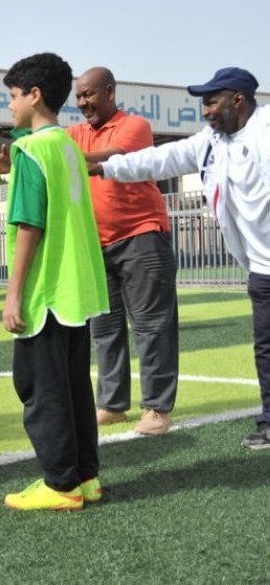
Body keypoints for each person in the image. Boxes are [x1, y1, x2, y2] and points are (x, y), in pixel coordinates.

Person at [88, 67, 270, 450]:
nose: (205, 111)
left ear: (238, 100)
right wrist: (103, 167)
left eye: (212, 102)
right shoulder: (210, 142)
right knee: (266, 347)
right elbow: (159, 159)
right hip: (262, 268)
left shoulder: (266, 129)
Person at [0, 53, 109, 511]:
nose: (10, 105)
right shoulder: (67, 146)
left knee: (40, 388)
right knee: (74, 387)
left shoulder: (31, 151)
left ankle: (60, 485)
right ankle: (86, 477)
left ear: (34, 95)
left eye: (13, 96)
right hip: (75, 290)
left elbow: (30, 224)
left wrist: (13, 295)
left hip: (47, 292)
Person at [66, 67, 179, 435]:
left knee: (151, 326)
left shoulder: (135, 126)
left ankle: (157, 408)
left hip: (141, 236)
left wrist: (61, 156)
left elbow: (112, 158)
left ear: (110, 92)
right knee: (105, 328)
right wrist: (18, 161)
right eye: (78, 96)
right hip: (96, 244)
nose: (82, 102)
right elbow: (53, 152)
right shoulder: (75, 133)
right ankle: (112, 404)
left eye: (88, 94)